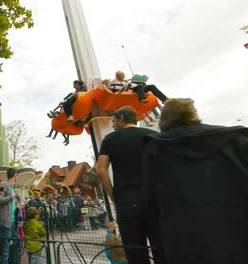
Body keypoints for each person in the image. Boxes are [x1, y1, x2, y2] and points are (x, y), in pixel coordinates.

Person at [141, 98, 248, 264]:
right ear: (193, 113)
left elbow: (150, 199)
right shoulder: (232, 139)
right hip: (235, 230)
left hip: (184, 237)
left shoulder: (155, 149)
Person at [96, 107, 164, 264]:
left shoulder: (110, 139)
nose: (112, 125)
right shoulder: (154, 136)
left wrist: (113, 195)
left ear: (120, 118)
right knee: (161, 247)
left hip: (126, 202)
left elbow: (101, 170)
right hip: (155, 199)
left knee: (134, 251)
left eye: (113, 120)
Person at [0, 168, 24, 264]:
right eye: (17, 175)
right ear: (14, 175)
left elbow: (19, 196)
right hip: (5, 223)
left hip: (13, 223)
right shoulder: (3, 185)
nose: (17, 177)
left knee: (17, 244)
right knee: (5, 250)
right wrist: (11, 197)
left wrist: (21, 201)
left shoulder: (12, 187)